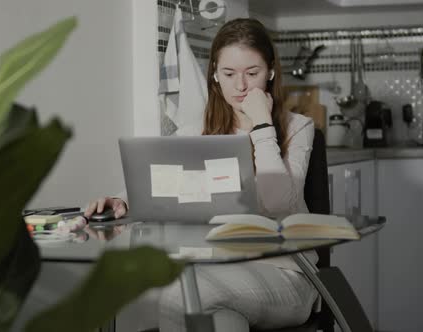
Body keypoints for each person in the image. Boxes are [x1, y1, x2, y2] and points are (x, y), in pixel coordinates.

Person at [85, 18, 318, 332]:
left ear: (271, 71)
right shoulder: (197, 131)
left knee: (179, 293)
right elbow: (159, 182)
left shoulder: (297, 128)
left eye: (252, 73)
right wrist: (121, 200)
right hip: (219, 272)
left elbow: (276, 201)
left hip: (286, 275)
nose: (241, 86)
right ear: (215, 75)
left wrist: (263, 124)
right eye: (229, 74)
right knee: (215, 319)